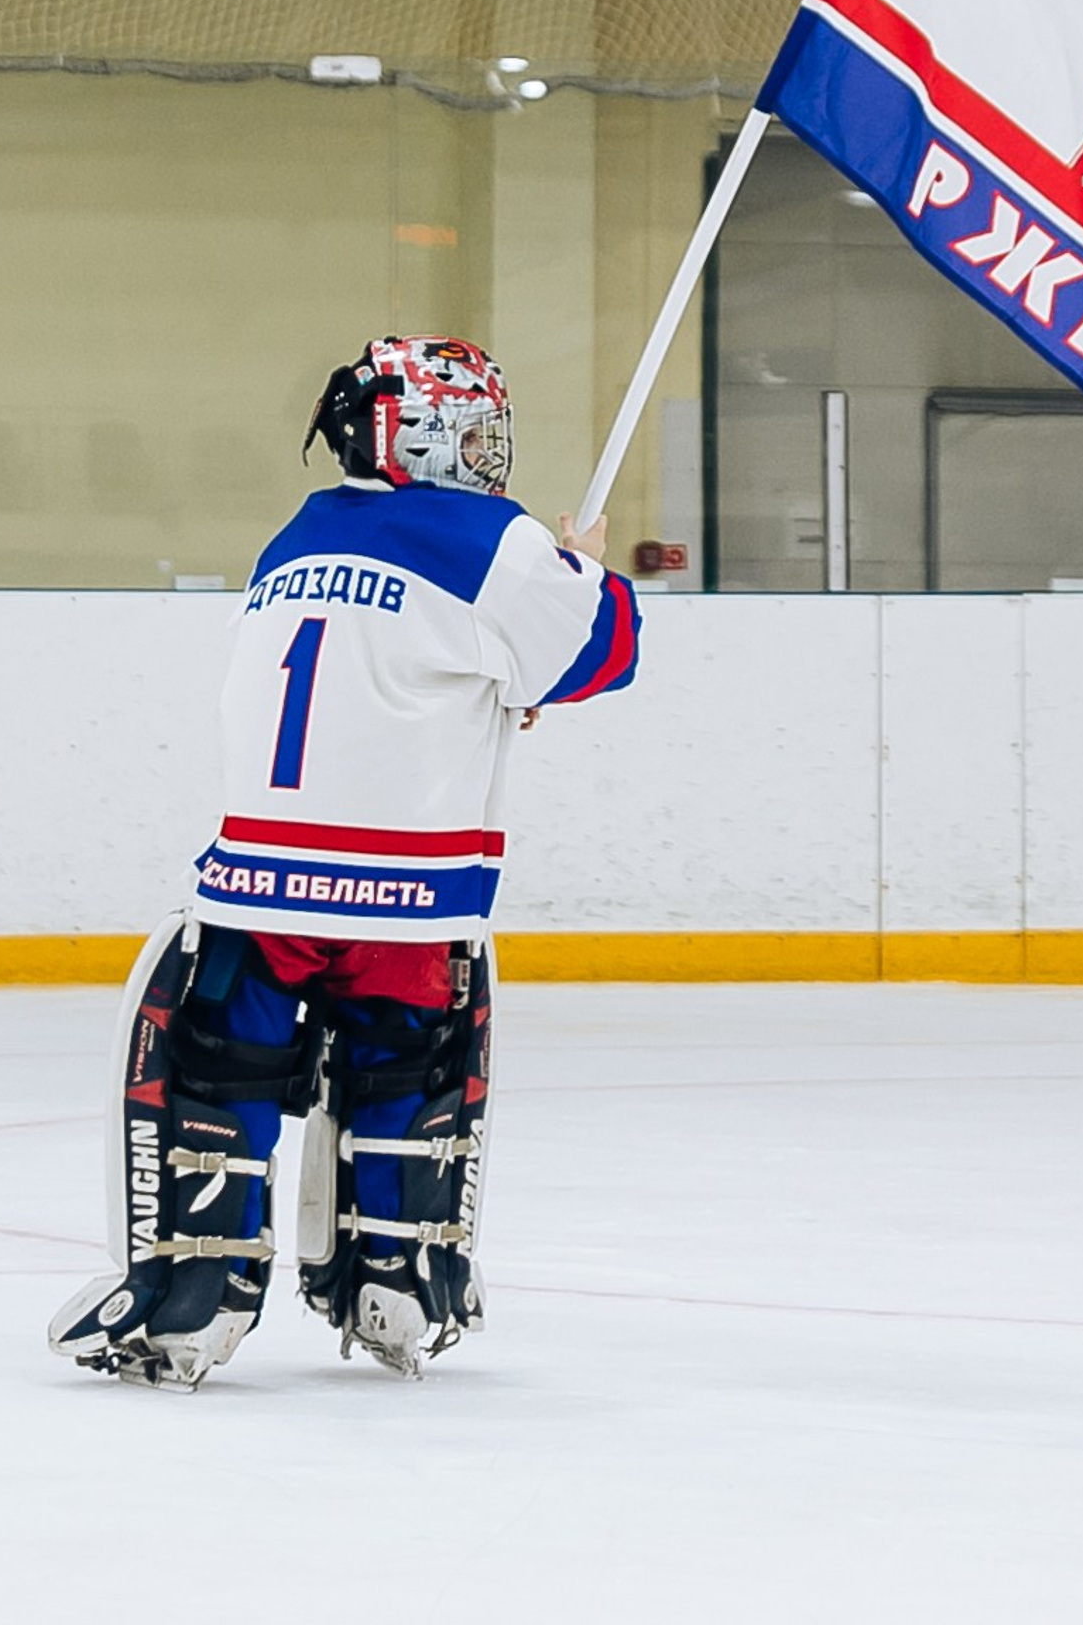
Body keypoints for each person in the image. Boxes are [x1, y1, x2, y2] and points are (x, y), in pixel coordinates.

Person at [49, 336, 642, 1389]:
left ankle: (198, 1295)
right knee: (408, 1063)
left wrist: (504, 677)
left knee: (218, 1069)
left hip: (258, 882)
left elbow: (385, 667)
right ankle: (400, 1279)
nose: (482, 449)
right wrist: (583, 566)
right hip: (410, 893)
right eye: (465, 428)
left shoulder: (296, 536)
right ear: (411, 433)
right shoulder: (487, 538)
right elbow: (604, 653)